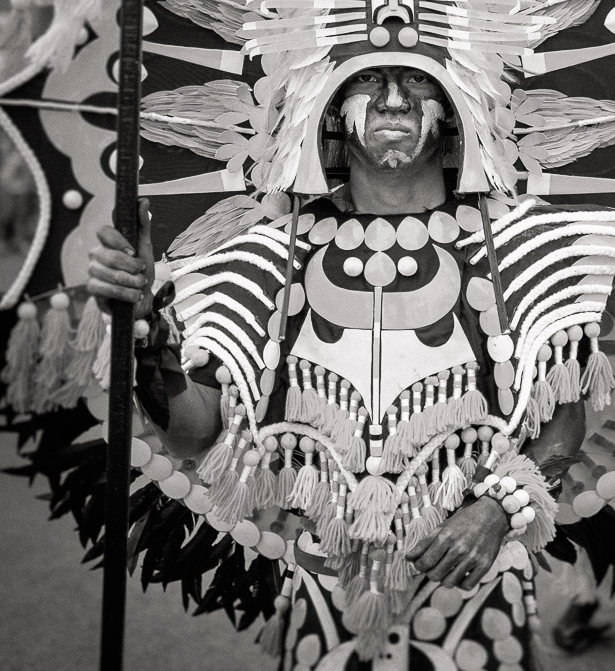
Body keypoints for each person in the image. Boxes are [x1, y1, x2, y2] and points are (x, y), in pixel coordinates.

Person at [88, 63, 587, 668]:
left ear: (456, 107)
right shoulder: (275, 252)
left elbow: (563, 421)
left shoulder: (515, 241)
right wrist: (144, 334)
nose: (395, 100)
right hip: (325, 593)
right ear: (329, 106)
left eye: (419, 80)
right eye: (369, 79)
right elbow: (196, 432)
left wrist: (495, 510)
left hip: (477, 592)